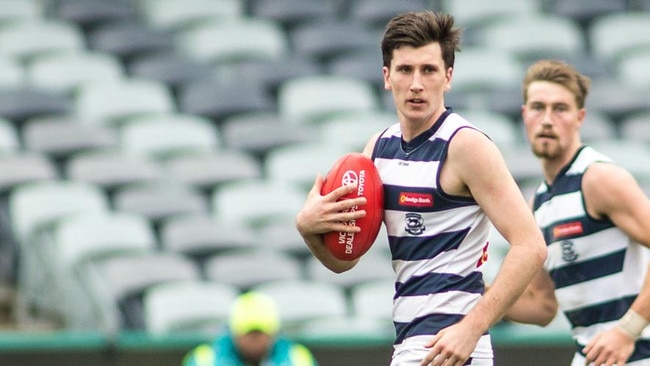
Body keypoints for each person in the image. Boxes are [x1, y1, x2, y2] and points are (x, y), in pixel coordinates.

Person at [295, 11, 547, 366]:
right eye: (405, 70)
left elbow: (531, 246)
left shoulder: (465, 146)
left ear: (448, 77)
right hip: (410, 344)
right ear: (387, 77)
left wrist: (471, 329)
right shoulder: (378, 149)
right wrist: (309, 230)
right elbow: (344, 262)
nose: (416, 83)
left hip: (456, 347)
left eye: (428, 70)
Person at [503, 59, 650, 366]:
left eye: (560, 109)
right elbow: (542, 307)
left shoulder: (597, 178)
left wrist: (627, 330)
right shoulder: (539, 204)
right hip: (590, 357)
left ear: (579, 117)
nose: (547, 119)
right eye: (538, 107)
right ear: (524, 115)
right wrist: (475, 290)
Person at [182, 291, 317, 366]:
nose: (255, 341)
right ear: (234, 333)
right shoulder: (204, 359)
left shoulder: (297, 358)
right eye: (249, 334)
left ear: (273, 334)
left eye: (261, 334)